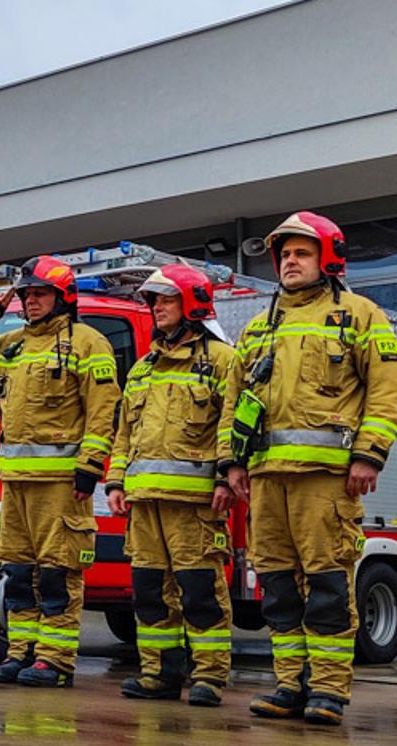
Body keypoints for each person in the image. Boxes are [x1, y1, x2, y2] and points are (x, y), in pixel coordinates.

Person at [220, 211, 397, 726]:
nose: (290, 262)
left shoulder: (360, 314)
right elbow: (235, 400)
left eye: (301, 252)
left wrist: (369, 455)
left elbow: (388, 391)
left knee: (326, 586)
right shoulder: (259, 328)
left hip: (325, 481)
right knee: (276, 587)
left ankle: (327, 691)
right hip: (266, 481)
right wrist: (232, 464)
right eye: (284, 254)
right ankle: (287, 686)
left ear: (328, 257)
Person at [0, 255, 121, 687]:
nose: (30, 302)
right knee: (16, 573)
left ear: (63, 297)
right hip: (15, 484)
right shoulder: (13, 344)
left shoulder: (89, 343)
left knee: (57, 573)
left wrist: (90, 466)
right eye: (26, 295)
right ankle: (20, 652)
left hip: (61, 485)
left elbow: (103, 410)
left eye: (40, 293)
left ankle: (55, 659)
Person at [106, 265, 238, 706]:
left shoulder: (221, 360)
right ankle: (159, 674)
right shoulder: (142, 367)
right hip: (144, 505)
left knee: (201, 592)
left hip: (195, 504)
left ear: (192, 302)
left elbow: (231, 424)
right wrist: (116, 481)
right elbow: (125, 432)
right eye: (153, 300)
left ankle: (209, 677)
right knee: (149, 593)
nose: (156, 307)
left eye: (166, 299)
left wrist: (225, 475)